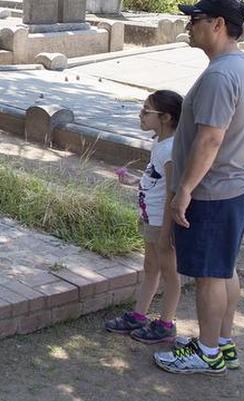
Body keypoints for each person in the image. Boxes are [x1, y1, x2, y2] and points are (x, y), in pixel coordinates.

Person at [153, 0, 244, 376]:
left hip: (213, 191)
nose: (188, 25)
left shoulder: (219, 75)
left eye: (195, 18)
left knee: (209, 276)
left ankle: (208, 351)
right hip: (235, 185)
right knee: (223, 268)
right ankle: (223, 342)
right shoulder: (240, 65)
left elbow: (210, 138)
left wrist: (183, 190)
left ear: (218, 24)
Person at [104, 90, 183, 344]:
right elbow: (157, 182)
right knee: (150, 268)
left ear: (166, 117)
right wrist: (137, 181)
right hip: (151, 219)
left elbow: (173, 191)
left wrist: (166, 232)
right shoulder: (159, 144)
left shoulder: (170, 150)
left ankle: (166, 323)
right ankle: (139, 315)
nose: (141, 114)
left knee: (170, 273)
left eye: (146, 111)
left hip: (162, 223)